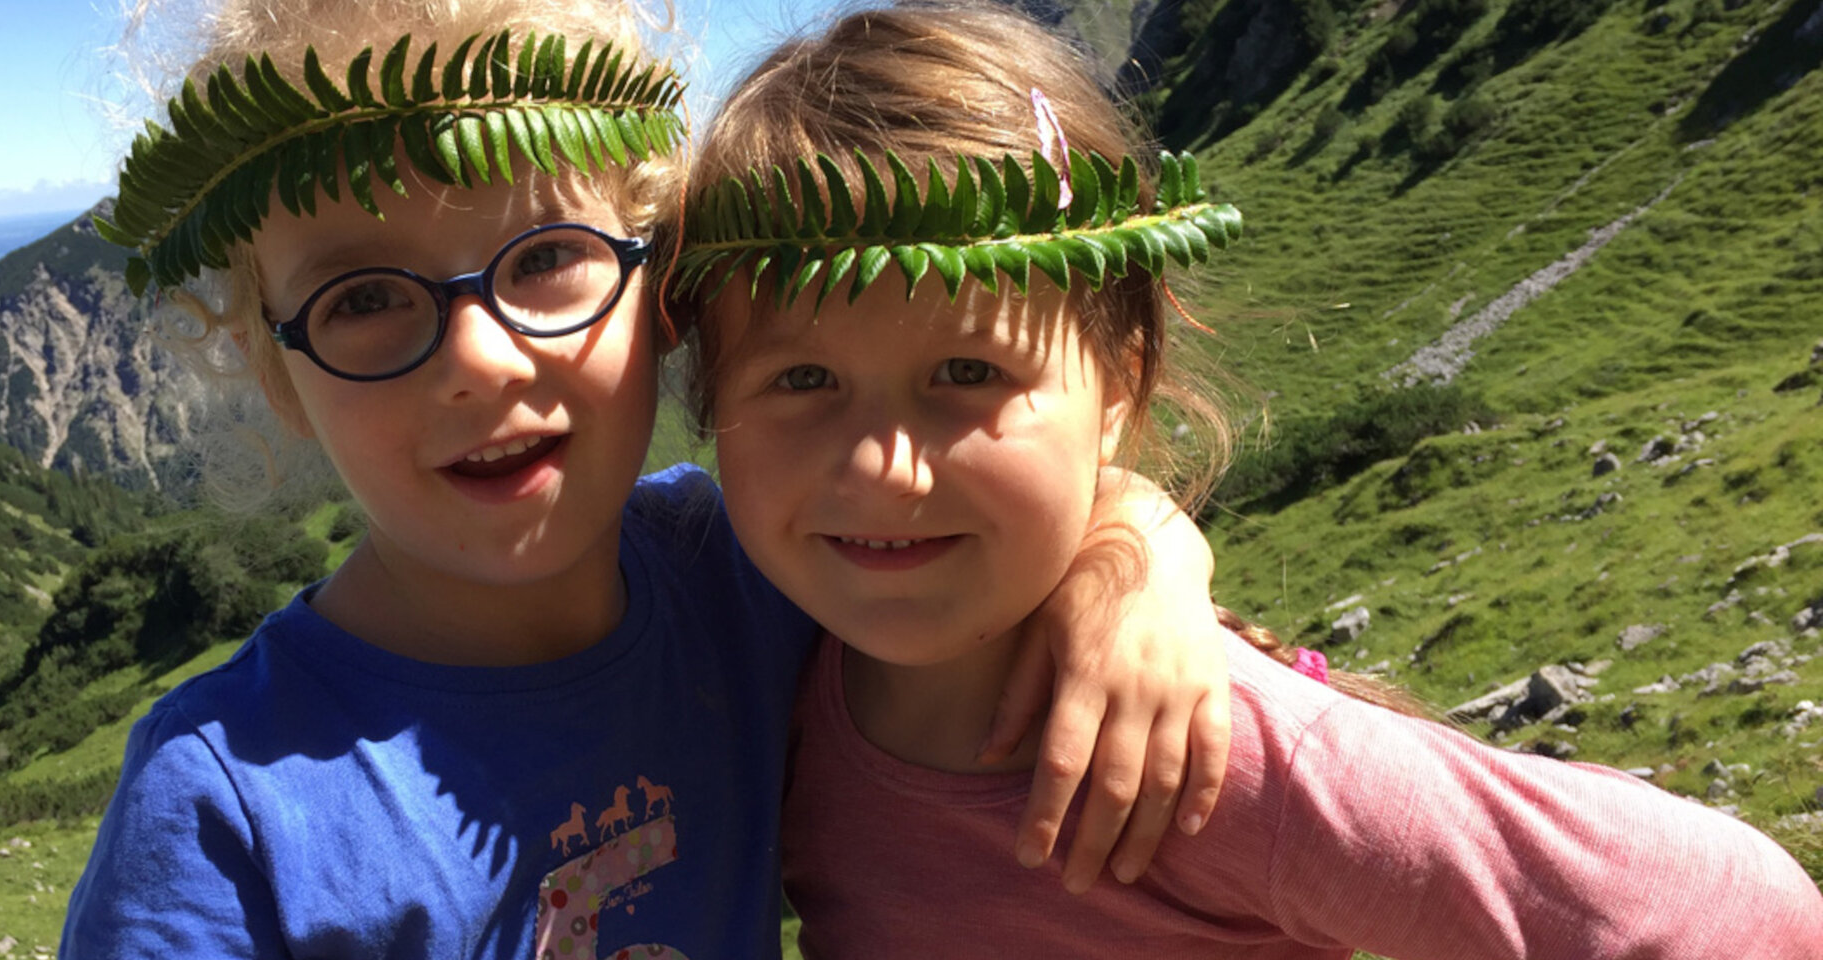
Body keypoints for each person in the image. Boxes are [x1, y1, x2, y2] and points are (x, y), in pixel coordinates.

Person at [60, 0, 1240, 956]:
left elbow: (991, 514)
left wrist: (1142, 565)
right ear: (277, 372)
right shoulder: (220, 814)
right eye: (362, 298)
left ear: (662, 290)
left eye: (551, 258)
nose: (479, 358)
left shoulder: (746, 578)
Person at [675, 3, 1823, 957]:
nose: (883, 465)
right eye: (804, 377)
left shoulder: (1210, 755)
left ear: (1119, 389)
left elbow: (1730, 911)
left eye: (966, 372)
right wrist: (1134, 533)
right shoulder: (779, 668)